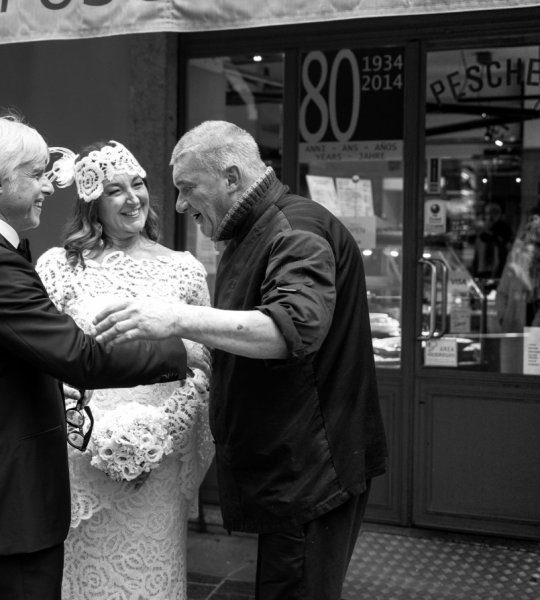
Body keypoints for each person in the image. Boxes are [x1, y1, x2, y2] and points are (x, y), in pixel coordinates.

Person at [91, 120, 389, 600]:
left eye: (188, 188)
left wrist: (176, 318)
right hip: (294, 470)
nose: (181, 204)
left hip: (312, 472)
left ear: (231, 178)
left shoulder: (295, 232)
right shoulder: (254, 229)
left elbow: (287, 329)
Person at [0, 114, 189, 600]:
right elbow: (79, 357)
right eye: (37, 174)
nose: (47, 186)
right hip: (4, 503)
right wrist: (177, 349)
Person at [36, 140, 214, 600]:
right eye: (116, 190)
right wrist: (96, 439)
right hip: (83, 453)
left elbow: (205, 366)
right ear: (93, 200)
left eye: (138, 184)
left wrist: (158, 436)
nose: (133, 198)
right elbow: (46, 361)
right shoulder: (60, 267)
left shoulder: (184, 270)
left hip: (160, 457)